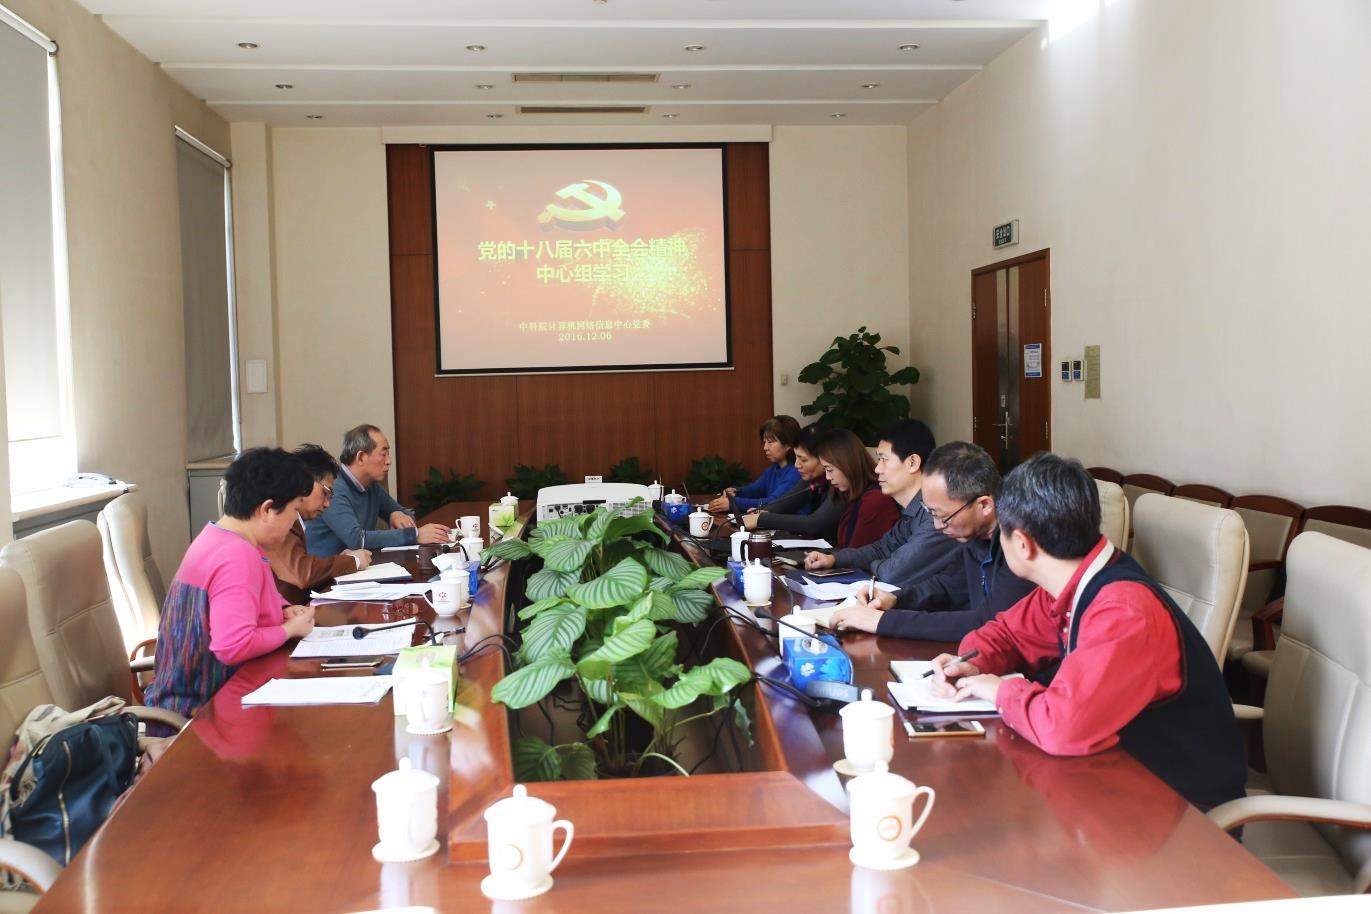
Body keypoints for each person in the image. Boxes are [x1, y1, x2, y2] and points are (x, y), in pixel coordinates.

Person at [927, 453, 1245, 810]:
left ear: (1023, 544)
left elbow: (1063, 726)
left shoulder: (1123, 611)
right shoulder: (1072, 580)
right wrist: (972, 661)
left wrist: (999, 690)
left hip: (1178, 809)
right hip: (1112, 779)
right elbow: (1007, 634)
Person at [144, 448, 318, 720]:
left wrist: (284, 610)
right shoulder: (236, 555)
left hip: (211, 697)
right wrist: (288, 630)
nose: (294, 521)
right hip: (202, 715)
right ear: (267, 509)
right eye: (294, 510)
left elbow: (246, 598)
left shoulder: (218, 536)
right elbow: (232, 646)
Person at [829, 441, 1034, 641]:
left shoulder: (1021, 546)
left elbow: (989, 622)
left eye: (942, 516)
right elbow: (948, 587)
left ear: (985, 505)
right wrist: (896, 599)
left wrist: (883, 621)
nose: (937, 526)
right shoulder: (975, 535)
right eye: (930, 513)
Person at [804, 419, 957, 587]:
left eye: (884, 459)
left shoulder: (936, 516)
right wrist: (834, 559)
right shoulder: (913, 510)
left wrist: (878, 564)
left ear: (912, 463)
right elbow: (881, 549)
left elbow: (893, 573)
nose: (877, 469)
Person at [306, 424, 449, 555]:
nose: (389, 461)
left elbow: (407, 515)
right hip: (328, 571)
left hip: (359, 565)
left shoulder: (371, 485)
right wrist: (415, 535)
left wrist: (395, 514)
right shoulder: (333, 488)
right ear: (361, 457)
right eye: (383, 454)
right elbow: (356, 540)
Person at [265, 444, 373, 604]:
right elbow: (302, 573)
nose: (328, 503)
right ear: (304, 482)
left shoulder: (296, 521)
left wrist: (342, 561)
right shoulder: (278, 516)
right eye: (326, 492)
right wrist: (352, 561)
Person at [742, 424, 841, 539]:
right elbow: (785, 503)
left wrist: (762, 519)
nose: (796, 465)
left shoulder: (840, 482)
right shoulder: (812, 478)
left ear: (825, 458)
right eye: (796, 457)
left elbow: (815, 523)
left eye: (803, 460)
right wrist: (762, 512)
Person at [812, 429, 899, 549]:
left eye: (830, 470)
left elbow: (857, 554)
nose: (827, 477)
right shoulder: (854, 494)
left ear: (848, 464)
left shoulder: (875, 500)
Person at [707, 415, 802, 514]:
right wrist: (735, 491)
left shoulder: (796, 472)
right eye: (764, 442)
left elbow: (773, 503)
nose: (765, 447)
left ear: (788, 444)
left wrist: (733, 503)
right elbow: (756, 489)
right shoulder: (774, 469)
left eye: (770, 442)